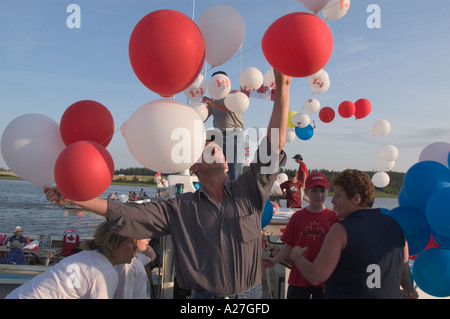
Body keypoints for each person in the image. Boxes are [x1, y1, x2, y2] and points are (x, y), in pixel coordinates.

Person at [45, 70, 291, 299]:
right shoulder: (180, 208)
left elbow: (273, 145)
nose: (213, 147)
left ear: (226, 162)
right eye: (206, 146)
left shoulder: (249, 189)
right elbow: (128, 212)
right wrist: (75, 197)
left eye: (216, 147)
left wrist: (283, 87)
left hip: (251, 298)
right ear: (194, 165)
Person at [289, 169, 418, 299]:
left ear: (356, 199)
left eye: (338, 196)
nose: (333, 201)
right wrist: (411, 292)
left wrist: (297, 256)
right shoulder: (395, 225)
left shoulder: (340, 230)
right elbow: (404, 273)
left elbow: (316, 276)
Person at [6, 221, 136, 299]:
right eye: (131, 242)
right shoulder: (105, 272)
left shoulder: (89, 256)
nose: (135, 247)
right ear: (114, 244)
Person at [263, 172, 340, 299]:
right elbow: (290, 245)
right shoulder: (297, 217)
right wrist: (275, 259)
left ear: (327, 192)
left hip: (324, 280)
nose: (319, 195)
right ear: (307, 192)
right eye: (314, 191)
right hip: (298, 279)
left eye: (322, 191)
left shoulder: (334, 219)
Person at [202, 71, 245, 181]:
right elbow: (204, 117)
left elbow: (231, 109)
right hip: (218, 136)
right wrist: (202, 107)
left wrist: (212, 103)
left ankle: (237, 196)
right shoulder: (213, 100)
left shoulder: (234, 94)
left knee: (235, 169)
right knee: (215, 166)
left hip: (234, 134)